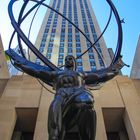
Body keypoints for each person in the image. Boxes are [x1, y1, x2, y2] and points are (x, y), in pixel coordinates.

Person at [6, 50, 124, 140]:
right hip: (61, 98)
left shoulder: (81, 74)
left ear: (74, 63)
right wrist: (20, 64)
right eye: (66, 59)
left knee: (87, 101)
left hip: (78, 93)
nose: (68, 60)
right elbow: (36, 71)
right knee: (54, 131)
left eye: (70, 59)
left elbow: (101, 76)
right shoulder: (56, 73)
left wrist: (116, 68)